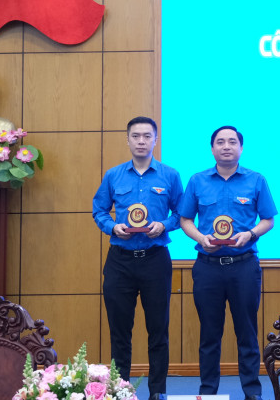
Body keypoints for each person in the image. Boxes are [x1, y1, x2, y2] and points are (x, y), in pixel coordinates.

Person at [178, 126, 276, 400]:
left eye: (232, 142)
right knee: (209, 334)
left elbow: (268, 220)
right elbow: (185, 219)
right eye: (220, 142)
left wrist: (250, 234)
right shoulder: (197, 180)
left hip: (244, 265)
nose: (226, 146)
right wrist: (200, 237)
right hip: (207, 266)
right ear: (212, 149)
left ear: (241, 148)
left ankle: (252, 393)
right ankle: (208, 392)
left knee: (247, 332)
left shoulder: (256, 180)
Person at [92, 116, 183, 400]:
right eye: (136, 136)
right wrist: (112, 227)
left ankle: (158, 392)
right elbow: (99, 210)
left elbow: (182, 214)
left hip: (155, 260)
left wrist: (164, 225)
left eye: (147, 136)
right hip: (120, 261)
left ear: (155, 139)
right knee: (120, 331)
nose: (141, 141)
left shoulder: (170, 175)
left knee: (158, 330)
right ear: (128, 139)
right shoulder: (113, 175)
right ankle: (121, 390)